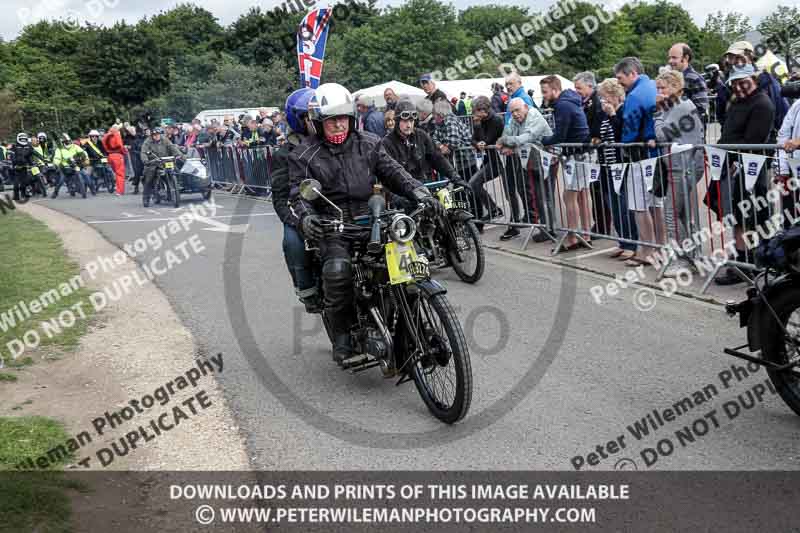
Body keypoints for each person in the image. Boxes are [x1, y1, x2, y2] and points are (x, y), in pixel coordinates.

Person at [288, 83, 441, 364]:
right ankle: (343, 335)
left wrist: (419, 190)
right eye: (332, 120)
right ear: (319, 122)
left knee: (409, 258)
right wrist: (307, 218)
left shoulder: (369, 142)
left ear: (351, 117)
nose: (338, 125)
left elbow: (393, 171)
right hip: (334, 224)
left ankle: (416, 324)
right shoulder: (304, 154)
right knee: (337, 271)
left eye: (343, 118)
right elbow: (298, 195)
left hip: (374, 217)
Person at [713, 64, 776, 285]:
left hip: (751, 169)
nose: (738, 87)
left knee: (753, 218)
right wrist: (722, 152)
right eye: (735, 83)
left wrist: (727, 151)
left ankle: (754, 265)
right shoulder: (738, 102)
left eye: (743, 82)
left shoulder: (762, 104)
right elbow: (727, 132)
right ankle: (742, 262)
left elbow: (753, 142)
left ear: (754, 80)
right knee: (738, 217)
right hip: (733, 167)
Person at [271, 88, 320, 313]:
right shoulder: (284, 154)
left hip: (335, 207)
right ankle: (307, 290)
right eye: (310, 115)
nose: (316, 120)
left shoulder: (331, 142)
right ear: (298, 118)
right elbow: (280, 196)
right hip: (300, 210)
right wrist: (296, 221)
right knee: (293, 242)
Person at [652, 70, 705, 277]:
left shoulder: (680, 107)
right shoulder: (679, 106)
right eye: (658, 88)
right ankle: (692, 256)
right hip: (683, 166)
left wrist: (657, 113)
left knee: (670, 213)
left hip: (681, 167)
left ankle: (683, 259)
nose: (659, 93)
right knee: (680, 214)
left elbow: (661, 134)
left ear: (676, 88)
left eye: (663, 88)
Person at [615, 57, 662, 267]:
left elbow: (629, 132)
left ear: (632, 73)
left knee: (639, 206)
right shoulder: (653, 86)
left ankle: (646, 251)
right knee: (656, 205)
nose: (619, 83)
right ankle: (660, 249)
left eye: (620, 78)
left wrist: (622, 146)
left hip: (639, 156)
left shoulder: (634, 95)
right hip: (657, 155)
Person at [539, 76, 591, 250]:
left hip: (575, 154)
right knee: (582, 195)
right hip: (582, 152)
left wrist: (543, 141)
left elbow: (560, 135)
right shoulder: (570, 100)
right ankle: (586, 234)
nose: (543, 95)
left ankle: (572, 238)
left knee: (569, 196)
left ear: (555, 90)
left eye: (545, 92)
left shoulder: (562, 105)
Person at [496, 98, 553, 241]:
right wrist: (508, 142)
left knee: (546, 195)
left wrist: (507, 143)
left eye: (517, 110)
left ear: (526, 107)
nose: (514, 114)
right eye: (512, 111)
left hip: (548, 158)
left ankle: (550, 230)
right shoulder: (515, 119)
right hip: (532, 159)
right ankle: (545, 229)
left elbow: (525, 138)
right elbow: (506, 134)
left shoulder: (534, 115)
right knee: (538, 196)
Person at [597, 78, 639, 261]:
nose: (602, 101)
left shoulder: (622, 111)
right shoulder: (605, 113)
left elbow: (622, 134)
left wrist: (613, 115)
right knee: (613, 204)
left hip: (620, 164)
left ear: (615, 96)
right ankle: (622, 241)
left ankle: (632, 243)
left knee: (623, 204)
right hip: (607, 165)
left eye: (605, 97)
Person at [381, 98, 459, 188]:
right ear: (397, 121)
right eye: (405, 121)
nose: (409, 125)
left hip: (426, 185)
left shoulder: (421, 135)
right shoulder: (387, 142)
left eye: (411, 121)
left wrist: (454, 176)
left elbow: (437, 158)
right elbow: (390, 172)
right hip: (403, 191)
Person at [574, 71, 613, 237]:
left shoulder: (596, 102)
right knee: (595, 188)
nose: (577, 91)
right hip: (592, 151)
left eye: (579, 88)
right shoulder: (586, 102)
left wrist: (586, 143)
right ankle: (601, 223)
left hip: (598, 152)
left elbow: (596, 129)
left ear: (590, 86)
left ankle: (602, 225)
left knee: (599, 189)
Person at [469, 95, 505, 225]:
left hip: (502, 160)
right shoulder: (480, 120)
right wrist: (477, 144)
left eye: (475, 111)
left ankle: (517, 221)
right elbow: (473, 139)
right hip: (491, 160)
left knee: (511, 193)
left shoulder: (496, 120)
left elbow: (487, 139)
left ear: (483, 110)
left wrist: (478, 127)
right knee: (473, 183)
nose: (473, 114)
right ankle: (493, 209)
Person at [431, 99, 475, 186]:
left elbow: (454, 140)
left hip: (466, 161)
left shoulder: (450, 120)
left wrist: (446, 147)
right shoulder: (439, 124)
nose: (433, 116)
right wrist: (442, 147)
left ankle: (485, 200)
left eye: (434, 114)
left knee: (472, 189)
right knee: (460, 190)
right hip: (458, 164)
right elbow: (434, 139)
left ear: (440, 114)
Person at [140, 127, 183, 208]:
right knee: (149, 178)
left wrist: (179, 155)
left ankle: (173, 193)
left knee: (177, 171)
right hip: (154, 162)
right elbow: (143, 152)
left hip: (165, 161)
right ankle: (146, 198)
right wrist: (145, 160)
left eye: (158, 135)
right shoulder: (147, 142)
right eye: (154, 135)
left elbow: (172, 147)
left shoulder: (165, 139)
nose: (156, 136)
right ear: (152, 135)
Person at [667, 43, 709, 125]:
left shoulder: (695, 78)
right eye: (669, 57)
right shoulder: (673, 78)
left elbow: (701, 108)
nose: (670, 61)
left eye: (674, 57)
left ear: (686, 58)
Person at [52, 134, 92, 199]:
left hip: (74, 165)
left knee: (80, 174)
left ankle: (82, 190)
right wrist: (56, 164)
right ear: (62, 142)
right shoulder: (59, 149)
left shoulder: (75, 146)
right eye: (66, 141)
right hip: (64, 167)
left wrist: (86, 158)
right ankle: (55, 192)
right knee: (61, 180)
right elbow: (57, 158)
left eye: (69, 141)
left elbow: (83, 152)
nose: (68, 143)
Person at [102, 124, 128, 195]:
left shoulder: (105, 136)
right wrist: (125, 151)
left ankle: (116, 186)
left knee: (115, 172)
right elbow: (120, 145)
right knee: (120, 174)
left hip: (110, 156)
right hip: (117, 156)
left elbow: (104, 145)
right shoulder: (116, 134)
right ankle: (119, 191)